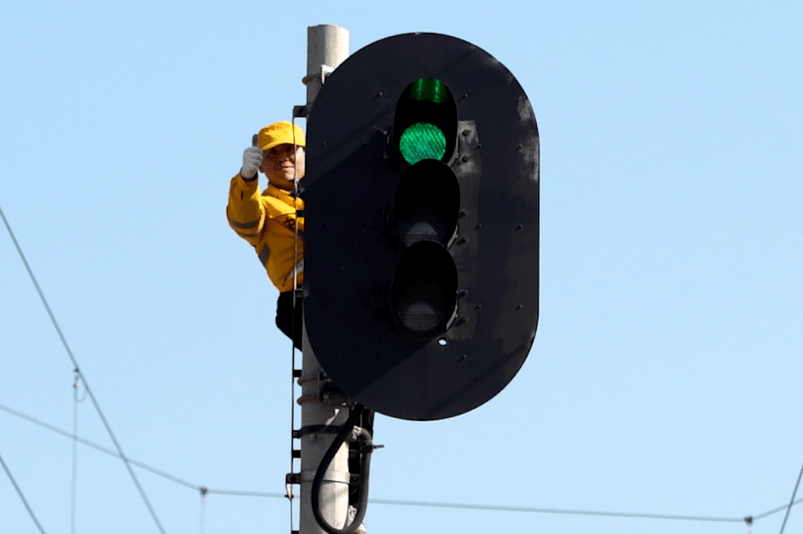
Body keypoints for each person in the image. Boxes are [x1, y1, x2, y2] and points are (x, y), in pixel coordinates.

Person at [226, 121, 305, 349]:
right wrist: (246, 179)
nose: (282, 158)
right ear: (261, 164)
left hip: (348, 285)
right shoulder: (265, 206)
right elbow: (245, 219)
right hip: (301, 300)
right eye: (272, 153)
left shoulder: (333, 194)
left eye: (290, 149)